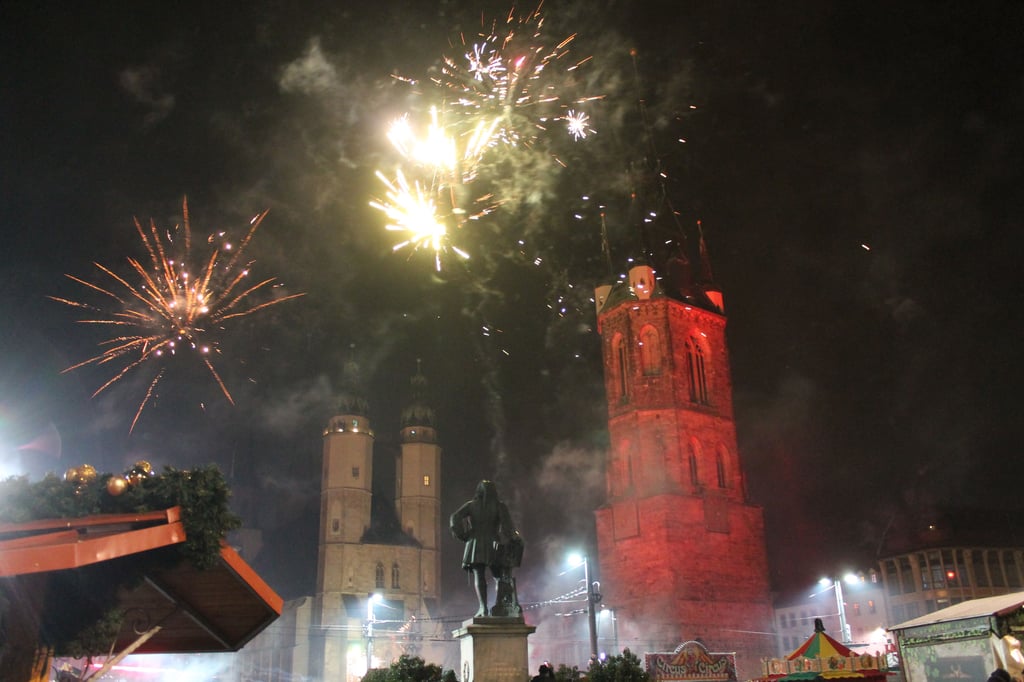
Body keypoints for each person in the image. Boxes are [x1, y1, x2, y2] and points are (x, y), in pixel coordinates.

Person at [450, 479, 523, 617]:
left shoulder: (471, 505)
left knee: (479, 575)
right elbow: (508, 528)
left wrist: (463, 535)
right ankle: (501, 605)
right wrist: (515, 539)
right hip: (494, 544)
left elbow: (454, 517)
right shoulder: (499, 506)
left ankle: (483, 608)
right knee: (499, 576)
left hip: (475, 543)